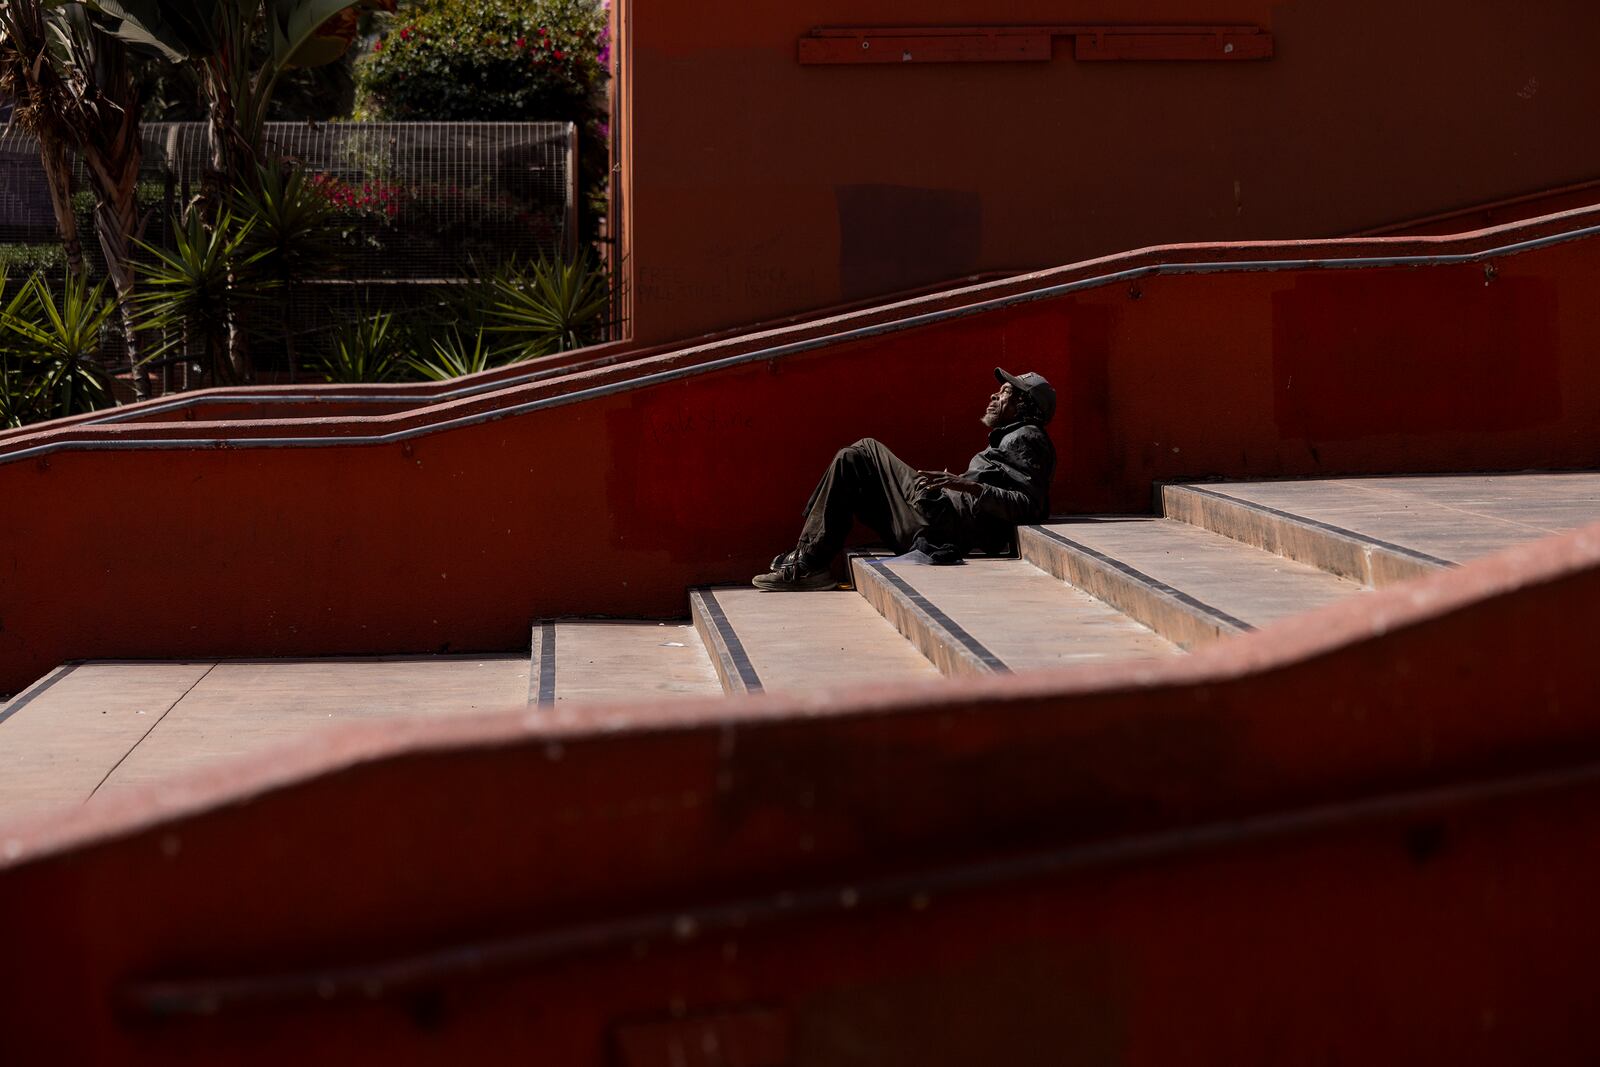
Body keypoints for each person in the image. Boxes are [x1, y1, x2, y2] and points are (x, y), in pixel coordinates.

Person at [753, 368, 1057, 591]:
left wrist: (964, 485)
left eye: (1006, 392)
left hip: (940, 517)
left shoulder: (1026, 437)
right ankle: (809, 560)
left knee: (864, 449)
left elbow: (1029, 505)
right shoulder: (1014, 437)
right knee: (852, 465)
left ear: (1025, 405)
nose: (994, 394)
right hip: (934, 524)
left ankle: (808, 561)